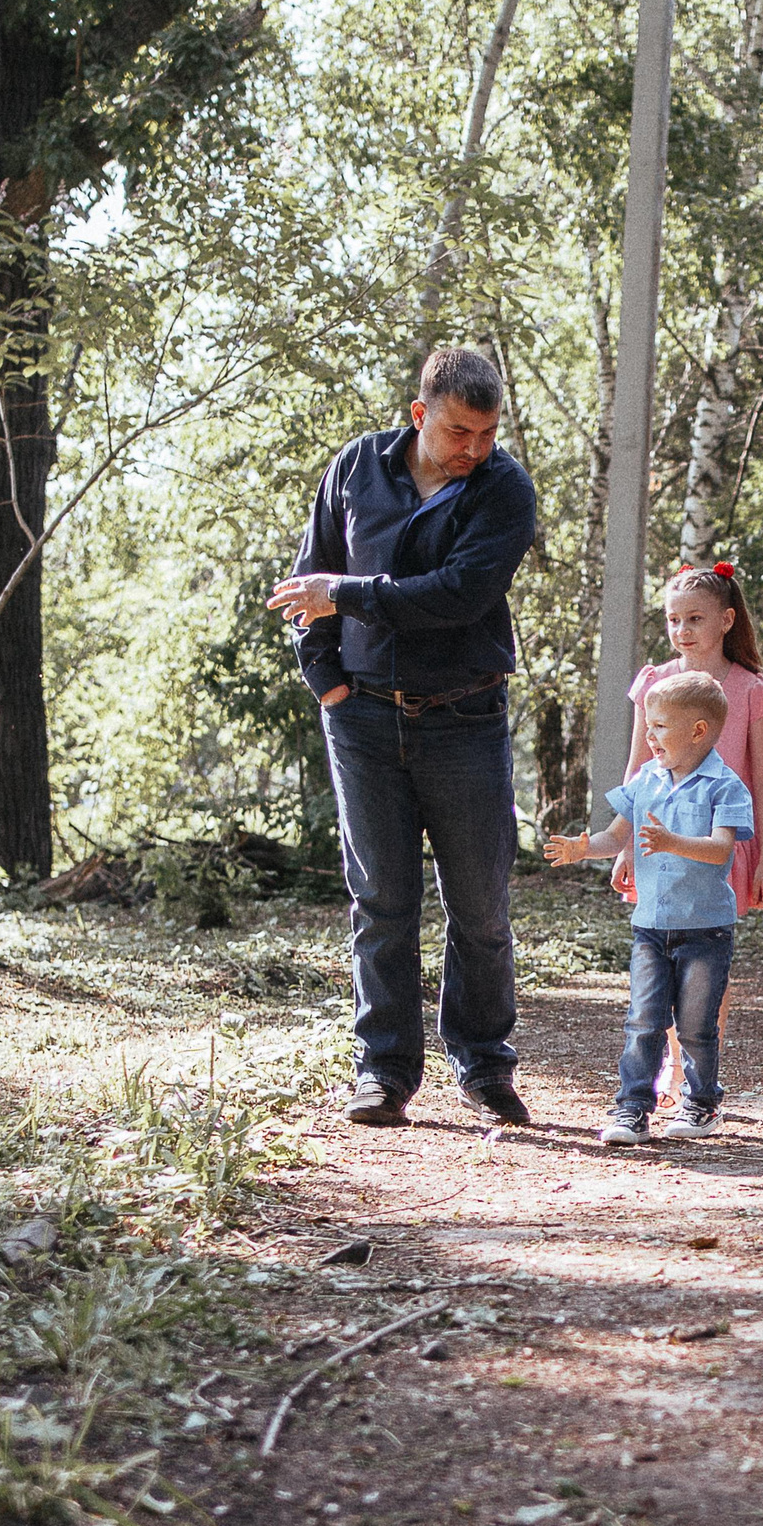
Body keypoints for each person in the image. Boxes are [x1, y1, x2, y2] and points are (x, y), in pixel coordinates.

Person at [267, 348, 539, 1129]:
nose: (474, 449)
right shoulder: (356, 465)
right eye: (459, 431)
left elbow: (455, 595)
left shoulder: (504, 489)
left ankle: (485, 1067)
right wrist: (327, 682)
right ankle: (383, 1071)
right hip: (363, 720)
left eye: (487, 433)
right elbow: (305, 581)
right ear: (420, 415)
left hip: (466, 719)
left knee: (481, 906)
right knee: (381, 901)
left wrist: (343, 597)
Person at [546, 670, 755, 1144]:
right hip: (650, 927)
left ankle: (701, 1104)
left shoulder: (724, 786)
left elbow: (721, 849)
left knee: (697, 1026)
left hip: (705, 929)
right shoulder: (646, 780)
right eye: (648, 724)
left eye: (659, 725)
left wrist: (669, 841)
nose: (649, 735)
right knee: (643, 1021)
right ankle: (632, 1109)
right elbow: (616, 835)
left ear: (698, 731)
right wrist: (584, 848)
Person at [613, 563, 763, 1101]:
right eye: (672, 619)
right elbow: (637, 766)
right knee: (659, 956)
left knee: (706, 966)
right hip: (657, 845)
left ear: (726, 620)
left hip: (720, 845)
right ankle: (663, 1065)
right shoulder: (653, 684)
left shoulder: (750, 688)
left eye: (694, 618)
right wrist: (624, 843)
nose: (682, 629)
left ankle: (695, 1075)